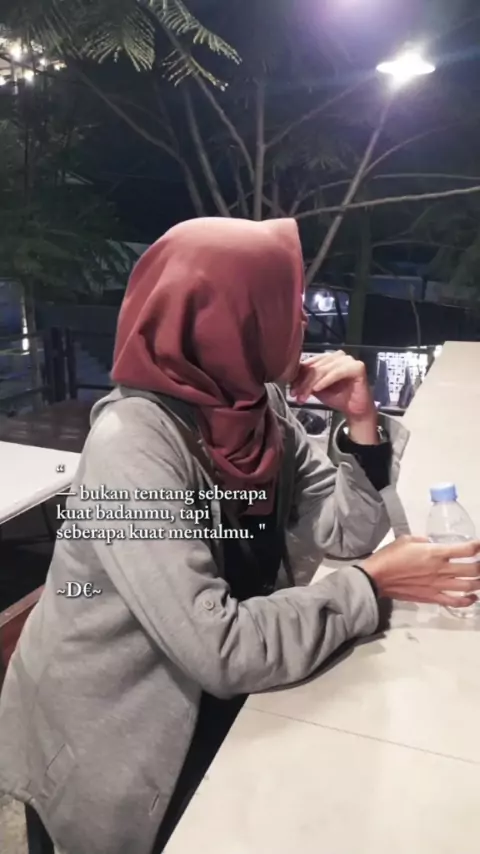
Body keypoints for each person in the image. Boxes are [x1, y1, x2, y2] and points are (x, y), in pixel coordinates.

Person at [0, 217, 478, 854]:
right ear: (227, 320)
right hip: (115, 736)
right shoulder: (132, 445)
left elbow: (347, 532)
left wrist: (362, 424)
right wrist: (369, 587)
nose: (302, 320)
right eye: (284, 304)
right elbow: (220, 648)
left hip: (201, 699)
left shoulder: (258, 410)